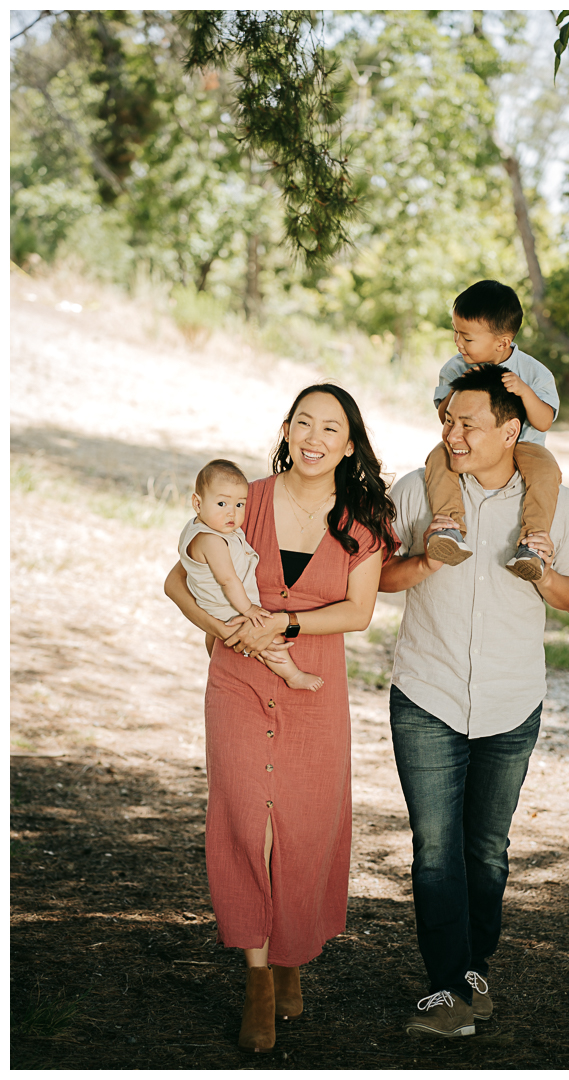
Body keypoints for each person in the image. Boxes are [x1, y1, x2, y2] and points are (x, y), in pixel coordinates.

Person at [165, 385, 397, 1053]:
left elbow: (357, 613)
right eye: (304, 422)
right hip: (238, 682)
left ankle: (293, 955)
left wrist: (286, 620)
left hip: (312, 687)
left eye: (331, 427)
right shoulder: (247, 500)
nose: (314, 436)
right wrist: (225, 629)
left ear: (349, 444)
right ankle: (259, 980)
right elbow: (176, 581)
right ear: (288, 430)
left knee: (302, 830)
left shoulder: (365, 519)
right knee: (248, 824)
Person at [379, 363, 569, 1039]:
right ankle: (448, 992)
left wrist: (547, 575)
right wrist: (426, 563)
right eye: (447, 421)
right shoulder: (417, 490)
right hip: (427, 692)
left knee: (487, 850)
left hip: (511, 700)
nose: (452, 433)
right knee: (435, 848)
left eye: (467, 423)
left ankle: (474, 969)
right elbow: (376, 574)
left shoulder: (556, 504)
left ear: (510, 429)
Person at [425, 279, 562, 583]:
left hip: (522, 448)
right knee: (437, 456)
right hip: (474, 447)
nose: (458, 343)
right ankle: (449, 528)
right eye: (455, 332)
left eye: (467, 338)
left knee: (547, 470)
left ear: (501, 342)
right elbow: (442, 415)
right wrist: (460, 386)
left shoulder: (534, 373)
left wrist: (524, 392)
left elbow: (544, 422)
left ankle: (533, 545)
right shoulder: (455, 367)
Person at [179, 458, 324, 691]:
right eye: (222, 504)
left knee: (218, 637)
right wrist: (248, 610)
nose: (231, 513)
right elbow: (228, 580)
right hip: (228, 606)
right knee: (268, 639)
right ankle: (293, 675)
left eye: (239, 505)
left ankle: (215, 657)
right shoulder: (210, 540)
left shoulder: (203, 526)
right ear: (197, 503)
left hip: (216, 606)